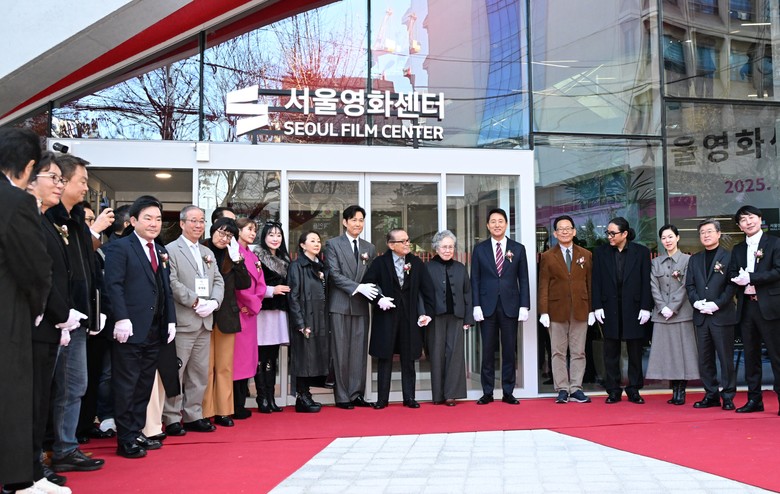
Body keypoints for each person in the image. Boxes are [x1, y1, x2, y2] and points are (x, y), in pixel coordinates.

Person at [1, 130, 57, 494]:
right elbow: (35, 267)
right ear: (29, 167)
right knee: (13, 397)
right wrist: (38, 307)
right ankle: (18, 479)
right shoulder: (15, 201)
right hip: (8, 315)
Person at [103, 195, 177, 458]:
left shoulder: (160, 250)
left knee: (144, 383)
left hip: (155, 329)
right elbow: (113, 286)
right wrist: (121, 318)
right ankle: (125, 438)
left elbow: (166, 289)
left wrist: (170, 320)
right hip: (129, 329)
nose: (154, 223)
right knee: (127, 384)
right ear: (133, 221)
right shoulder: (120, 248)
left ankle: (136, 431)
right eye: (148, 218)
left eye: (158, 219)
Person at [46, 153, 106, 473]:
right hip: (53, 319)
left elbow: (90, 271)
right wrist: (60, 310)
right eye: (82, 181)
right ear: (62, 180)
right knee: (45, 389)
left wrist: (95, 312)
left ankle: (66, 448)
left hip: (79, 320)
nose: (85, 187)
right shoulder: (46, 218)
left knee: (75, 386)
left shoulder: (77, 222)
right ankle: (41, 451)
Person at [163, 205, 225, 435]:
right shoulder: (171, 250)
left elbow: (218, 280)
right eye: (193, 221)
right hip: (184, 320)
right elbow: (172, 283)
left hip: (205, 321)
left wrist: (214, 302)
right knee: (177, 371)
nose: (198, 225)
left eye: (201, 221)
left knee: (199, 373)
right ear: (182, 223)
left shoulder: (206, 252)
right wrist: (196, 302)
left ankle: (193, 415)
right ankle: (171, 417)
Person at [363, 228, 434, 409]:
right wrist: (379, 300)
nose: (407, 244)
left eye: (407, 240)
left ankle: (409, 397)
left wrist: (427, 313)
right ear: (391, 245)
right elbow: (366, 285)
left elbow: (428, 290)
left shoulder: (416, 262)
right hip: (386, 316)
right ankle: (382, 399)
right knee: (385, 357)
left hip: (410, 316)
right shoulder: (380, 263)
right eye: (402, 241)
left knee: (408, 357)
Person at [471, 208, 530, 405]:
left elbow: (523, 279)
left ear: (506, 224)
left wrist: (524, 306)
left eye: (500, 221)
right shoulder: (479, 249)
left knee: (509, 350)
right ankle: (487, 392)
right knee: (487, 350)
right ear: (487, 225)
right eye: (493, 221)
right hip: (486, 306)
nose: (497, 225)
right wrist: (476, 305)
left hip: (510, 306)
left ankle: (508, 391)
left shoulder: (518, 248)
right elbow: (475, 279)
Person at [592, 217, 652, 404]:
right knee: (611, 350)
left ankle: (634, 389)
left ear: (624, 234)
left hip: (634, 307)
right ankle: (613, 389)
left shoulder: (641, 252)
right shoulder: (600, 252)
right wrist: (597, 306)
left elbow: (646, 281)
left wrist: (646, 307)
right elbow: (596, 281)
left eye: (613, 233)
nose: (609, 236)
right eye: (608, 233)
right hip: (609, 306)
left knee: (635, 350)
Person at [325, 205, 378, 409]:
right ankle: (342, 396)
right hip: (340, 303)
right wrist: (358, 287)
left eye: (361, 220)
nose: (358, 224)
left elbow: (372, 276)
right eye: (354, 220)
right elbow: (334, 274)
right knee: (340, 351)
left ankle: (356, 393)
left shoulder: (369, 248)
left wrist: (377, 294)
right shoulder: (333, 244)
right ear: (345, 222)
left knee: (358, 351)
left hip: (361, 305)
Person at [728, 206, 780, 414]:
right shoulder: (738, 249)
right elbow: (732, 272)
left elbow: (778, 271)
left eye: (751, 218)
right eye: (743, 220)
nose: (748, 222)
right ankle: (754, 399)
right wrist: (738, 279)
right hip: (747, 306)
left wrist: (752, 278)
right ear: (739, 226)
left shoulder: (775, 243)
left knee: (776, 355)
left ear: (760, 219)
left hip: (769, 307)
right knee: (750, 355)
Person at [538, 215, 594, 404]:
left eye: (568, 228)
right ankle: (562, 388)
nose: (564, 231)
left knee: (579, 351)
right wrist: (543, 311)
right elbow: (543, 285)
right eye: (560, 229)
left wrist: (592, 309)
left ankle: (576, 388)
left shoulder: (586, 254)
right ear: (555, 233)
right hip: (556, 310)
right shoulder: (547, 256)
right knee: (558, 352)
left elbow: (590, 283)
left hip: (580, 309)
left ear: (574, 231)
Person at [202, 218, 251, 426]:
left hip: (227, 317)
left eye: (229, 236)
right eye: (221, 233)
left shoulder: (233, 254)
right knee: (205, 368)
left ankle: (223, 411)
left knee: (224, 367)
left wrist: (238, 260)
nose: (224, 238)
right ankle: (204, 412)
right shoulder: (200, 249)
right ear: (212, 231)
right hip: (202, 315)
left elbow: (244, 283)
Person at [685, 219, 736, 410]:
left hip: (722, 315)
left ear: (718, 234)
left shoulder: (729, 257)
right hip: (701, 316)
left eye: (709, 231)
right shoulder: (695, 259)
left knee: (725, 358)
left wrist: (717, 304)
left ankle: (728, 396)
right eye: (702, 232)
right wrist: (696, 302)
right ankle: (711, 394)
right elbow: (690, 285)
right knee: (705, 359)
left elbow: (732, 285)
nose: (705, 235)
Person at [646, 224, 699, 405]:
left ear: (677, 238)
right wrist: (662, 307)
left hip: (682, 313)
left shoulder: (688, 260)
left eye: (670, 237)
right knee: (667, 353)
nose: (667, 241)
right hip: (662, 315)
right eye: (664, 238)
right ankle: (673, 389)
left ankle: (681, 390)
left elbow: (686, 286)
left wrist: (673, 307)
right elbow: (653, 286)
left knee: (683, 353)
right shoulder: (656, 262)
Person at [425, 230, 473, 406]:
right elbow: (422, 294)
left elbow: (468, 293)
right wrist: (423, 314)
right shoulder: (427, 268)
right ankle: (438, 395)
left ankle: (451, 394)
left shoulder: (460, 268)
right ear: (436, 248)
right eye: (444, 247)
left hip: (456, 317)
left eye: (451, 247)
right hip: (435, 318)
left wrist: (468, 318)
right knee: (436, 354)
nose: (447, 250)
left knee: (455, 355)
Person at [287, 231, 330, 412]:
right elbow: (293, 296)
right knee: (303, 358)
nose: (317, 244)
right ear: (303, 245)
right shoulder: (297, 266)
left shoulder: (321, 266)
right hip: (305, 318)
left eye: (318, 240)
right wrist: (300, 323)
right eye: (312, 241)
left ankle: (307, 395)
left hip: (319, 318)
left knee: (314, 357)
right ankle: (301, 396)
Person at [253, 221, 291, 413]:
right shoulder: (256, 257)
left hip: (279, 312)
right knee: (260, 356)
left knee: (272, 357)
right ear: (264, 237)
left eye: (278, 235)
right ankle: (262, 398)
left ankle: (271, 397)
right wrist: (271, 290)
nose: (275, 239)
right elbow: (252, 284)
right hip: (262, 312)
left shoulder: (285, 258)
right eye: (271, 235)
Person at [233, 218, 266, 419]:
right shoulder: (233, 252)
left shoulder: (252, 255)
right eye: (249, 229)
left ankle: (240, 403)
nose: (253, 233)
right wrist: (250, 303)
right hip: (239, 310)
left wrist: (256, 302)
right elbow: (237, 285)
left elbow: (261, 283)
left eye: (254, 230)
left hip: (250, 312)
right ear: (238, 231)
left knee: (247, 359)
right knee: (237, 360)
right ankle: (235, 404)